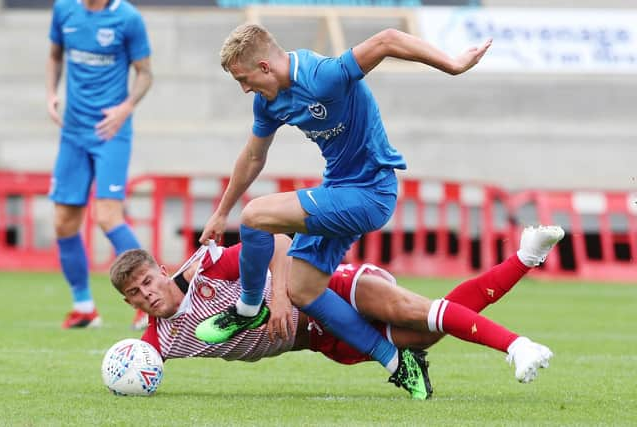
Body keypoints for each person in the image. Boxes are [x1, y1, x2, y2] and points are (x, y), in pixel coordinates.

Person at [195, 23, 492, 398]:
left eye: (244, 78)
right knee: (302, 290)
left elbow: (387, 39)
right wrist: (220, 212)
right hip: (340, 190)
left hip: (371, 193)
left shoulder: (323, 76)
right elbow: (254, 155)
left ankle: (249, 307)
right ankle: (397, 362)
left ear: (266, 67)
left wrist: (452, 65)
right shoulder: (268, 102)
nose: (245, 89)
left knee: (255, 216)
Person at [110, 225, 565, 399]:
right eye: (135, 293)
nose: (147, 293)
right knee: (426, 333)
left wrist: (282, 298)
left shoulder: (206, 271)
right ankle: (526, 255)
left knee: (415, 310)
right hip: (322, 339)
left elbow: (277, 243)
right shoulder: (160, 341)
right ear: (130, 303)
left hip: (325, 287)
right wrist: (119, 379)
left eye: (148, 280)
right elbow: (133, 366)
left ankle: (516, 346)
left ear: (163, 271)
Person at [46, 0, 153, 329]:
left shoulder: (128, 18)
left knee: (107, 216)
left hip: (111, 132)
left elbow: (145, 74)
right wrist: (51, 93)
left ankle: (149, 299)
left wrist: (126, 108)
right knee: (64, 221)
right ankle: (84, 308)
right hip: (73, 132)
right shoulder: (64, 10)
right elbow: (54, 55)